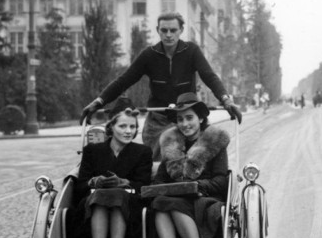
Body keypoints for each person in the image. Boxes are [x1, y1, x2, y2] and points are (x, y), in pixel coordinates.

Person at [80, 12, 242, 159]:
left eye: (173, 30)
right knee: (154, 163)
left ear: (181, 30)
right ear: (158, 30)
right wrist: (99, 101)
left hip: (185, 116)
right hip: (157, 120)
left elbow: (209, 76)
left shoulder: (191, 51)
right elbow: (124, 80)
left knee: (197, 156)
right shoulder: (149, 55)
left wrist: (225, 99)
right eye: (164, 30)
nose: (168, 35)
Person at [70, 98, 153, 238]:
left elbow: (144, 187)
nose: (128, 131)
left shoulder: (143, 152)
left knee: (116, 196)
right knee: (101, 197)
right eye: (122, 126)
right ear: (111, 127)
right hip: (92, 212)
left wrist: (124, 182)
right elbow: (79, 187)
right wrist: (95, 181)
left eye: (132, 126)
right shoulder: (92, 151)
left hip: (129, 213)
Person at [151, 93, 230, 238]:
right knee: (159, 203)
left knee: (172, 204)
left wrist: (195, 186)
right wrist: (161, 188)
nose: (185, 124)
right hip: (177, 198)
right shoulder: (172, 145)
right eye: (180, 119)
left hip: (205, 198)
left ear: (200, 119)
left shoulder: (214, 141)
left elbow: (221, 181)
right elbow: (159, 179)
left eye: (189, 118)